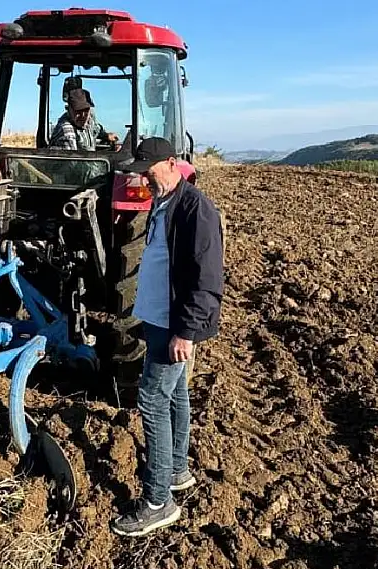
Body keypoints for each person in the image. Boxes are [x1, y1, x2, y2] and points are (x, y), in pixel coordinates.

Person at [110, 136, 225, 537]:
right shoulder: (162, 201)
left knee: (151, 400)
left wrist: (186, 332)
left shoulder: (196, 209)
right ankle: (176, 470)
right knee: (175, 394)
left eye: (149, 168)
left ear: (172, 163)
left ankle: (158, 501)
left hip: (175, 325)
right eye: (139, 169)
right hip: (160, 320)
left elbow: (206, 280)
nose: (143, 175)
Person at [48, 88, 118, 151]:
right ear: (69, 109)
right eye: (78, 111)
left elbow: (96, 129)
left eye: (86, 110)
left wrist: (106, 136)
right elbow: (73, 162)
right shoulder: (67, 132)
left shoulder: (89, 118)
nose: (83, 115)